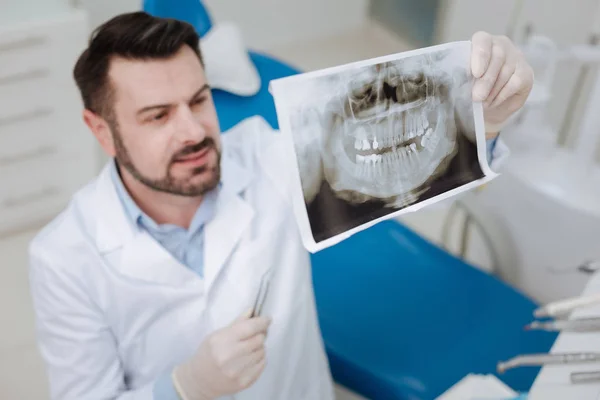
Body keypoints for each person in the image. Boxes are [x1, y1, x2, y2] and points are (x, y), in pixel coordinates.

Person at [27, 11, 533, 400]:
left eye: (199, 100)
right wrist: (181, 387)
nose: (194, 131)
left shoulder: (263, 157)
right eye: (158, 116)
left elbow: (396, 159)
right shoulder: (64, 257)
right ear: (101, 131)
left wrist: (484, 114)